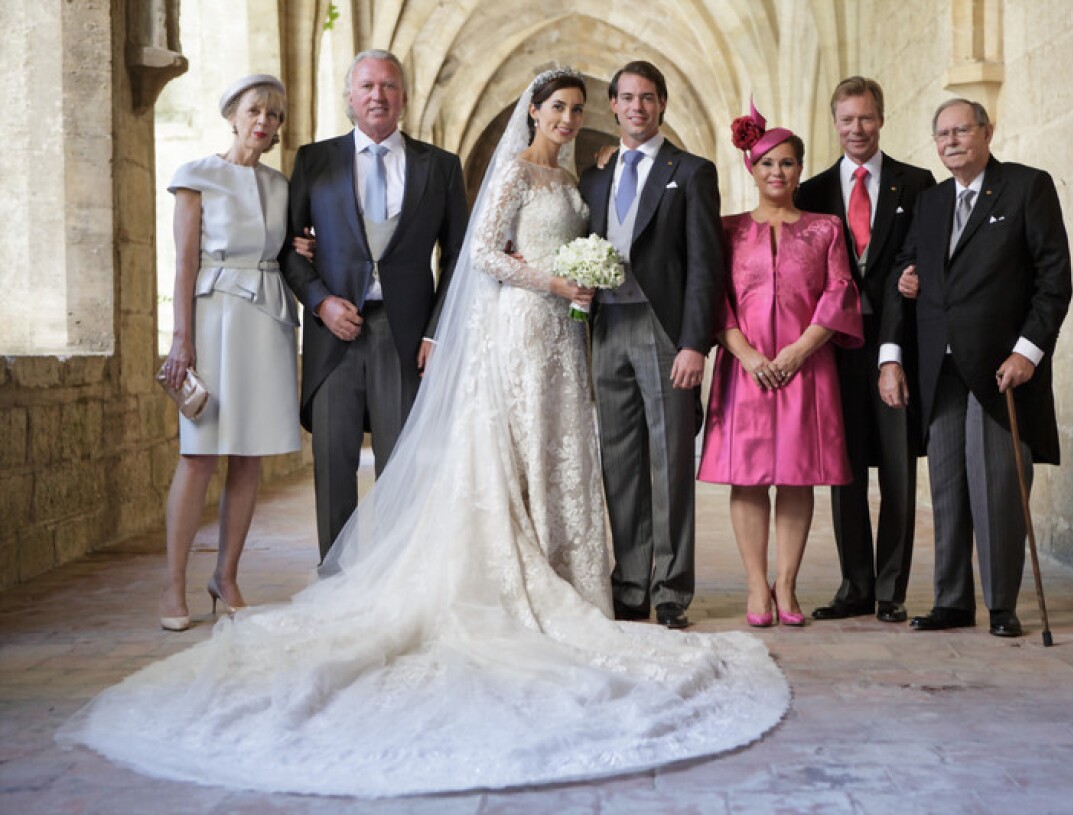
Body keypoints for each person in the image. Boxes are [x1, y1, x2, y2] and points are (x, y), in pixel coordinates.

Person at [59, 68, 788, 797]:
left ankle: (590, 578)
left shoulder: (578, 175)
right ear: (532, 110)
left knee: (566, 457)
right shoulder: (505, 169)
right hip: (520, 328)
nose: (569, 118)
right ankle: (474, 574)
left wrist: (572, 281)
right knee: (502, 457)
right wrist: (558, 283)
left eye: (576, 109)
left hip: (563, 342)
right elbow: (480, 255)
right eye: (558, 107)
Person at [878, 99, 1073, 638]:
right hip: (938, 369)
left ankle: (1002, 605)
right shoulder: (932, 202)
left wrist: (1026, 352)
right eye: (941, 134)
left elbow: (1054, 280)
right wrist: (898, 324)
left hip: (998, 370)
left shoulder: (1026, 187)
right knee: (947, 488)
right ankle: (952, 601)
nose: (951, 142)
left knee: (998, 487)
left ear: (987, 131)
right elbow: (906, 269)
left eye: (962, 130)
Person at [281, 49, 468, 560]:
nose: (377, 95)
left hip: (405, 337)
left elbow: (458, 259)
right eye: (366, 87)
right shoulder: (313, 161)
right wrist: (320, 303)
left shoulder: (441, 167)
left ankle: (395, 581)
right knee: (333, 463)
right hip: (333, 334)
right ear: (349, 98)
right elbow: (288, 250)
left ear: (404, 98)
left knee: (402, 466)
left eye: (388, 86)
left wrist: (436, 332)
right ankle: (334, 579)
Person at [698, 106, 863, 628]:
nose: (778, 173)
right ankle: (755, 585)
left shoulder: (826, 229)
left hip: (805, 368)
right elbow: (713, 297)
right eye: (768, 164)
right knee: (746, 480)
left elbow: (840, 293)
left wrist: (796, 353)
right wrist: (746, 354)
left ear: (799, 170)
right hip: (744, 368)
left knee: (797, 478)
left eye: (788, 164)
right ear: (751, 168)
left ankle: (787, 585)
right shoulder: (726, 231)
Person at [578, 60, 724, 630]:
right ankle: (631, 582)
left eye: (648, 98)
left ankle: (671, 589)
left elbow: (705, 267)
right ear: (611, 105)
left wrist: (694, 343)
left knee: (669, 463)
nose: (637, 107)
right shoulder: (595, 176)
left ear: (662, 104)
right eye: (627, 98)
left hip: (663, 329)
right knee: (621, 461)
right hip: (606, 328)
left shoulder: (691, 172)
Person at [157, 75, 301, 631]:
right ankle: (172, 588)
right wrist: (181, 338)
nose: (264, 121)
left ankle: (227, 576)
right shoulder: (197, 176)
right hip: (213, 317)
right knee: (198, 455)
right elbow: (184, 264)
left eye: (274, 116)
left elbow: (287, 247)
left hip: (266, 321)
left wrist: (301, 244)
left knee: (249, 456)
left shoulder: (281, 185)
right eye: (255, 111)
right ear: (233, 116)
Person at [794, 77, 936, 624]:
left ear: (881, 118)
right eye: (848, 119)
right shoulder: (812, 193)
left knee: (898, 467)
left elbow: (920, 255)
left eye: (867, 118)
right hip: (835, 347)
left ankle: (891, 590)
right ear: (835, 122)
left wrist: (914, 281)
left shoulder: (917, 184)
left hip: (895, 341)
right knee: (845, 468)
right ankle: (855, 585)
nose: (858, 129)